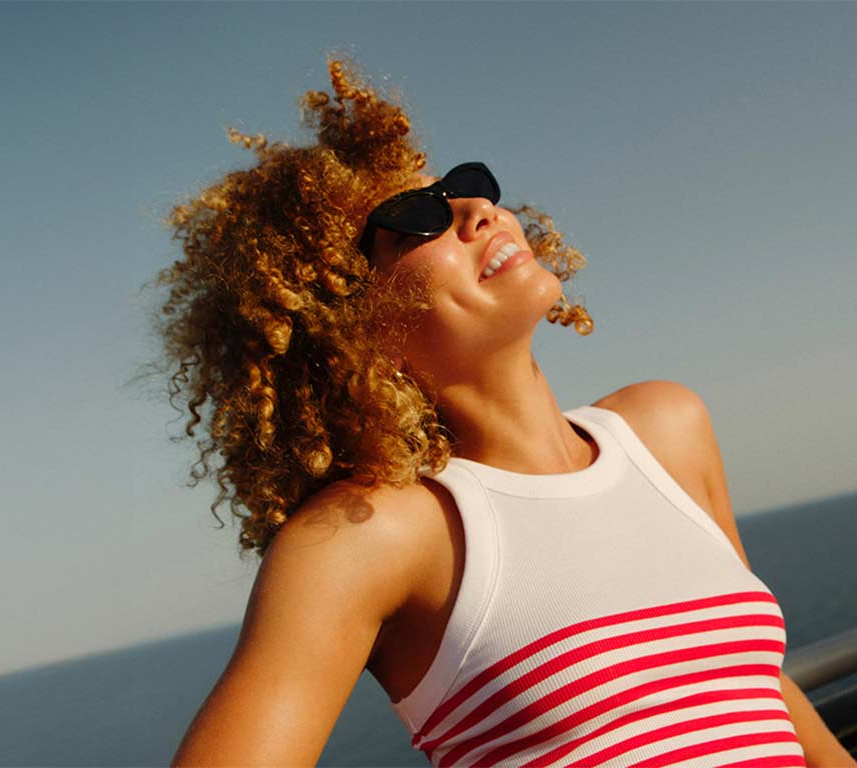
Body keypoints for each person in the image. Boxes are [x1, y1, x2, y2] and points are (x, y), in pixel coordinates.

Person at [156, 57, 853, 767]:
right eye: (416, 220)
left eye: (465, 189)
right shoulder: (368, 537)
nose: (475, 210)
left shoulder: (669, 427)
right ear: (344, 324)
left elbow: (756, 689)